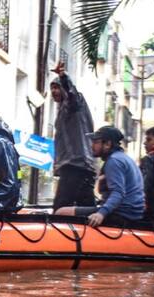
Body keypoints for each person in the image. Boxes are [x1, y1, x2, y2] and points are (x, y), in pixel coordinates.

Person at [55, 126, 144, 227]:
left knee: (61, 212)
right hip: (131, 212)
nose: (92, 146)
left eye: (96, 142)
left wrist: (101, 213)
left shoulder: (114, 161)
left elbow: (118, 192)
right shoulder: (123, 158)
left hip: (122, 213)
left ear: (107, 144)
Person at [50, 61, 97, 210]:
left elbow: (72, 95)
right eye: (52, 88)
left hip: (76, 164)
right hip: (79, 165)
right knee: (86, 207)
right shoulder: (63, 110)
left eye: (57, 87)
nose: (54, 91)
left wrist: (63, 77)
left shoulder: (75, 104)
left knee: (60, 207)